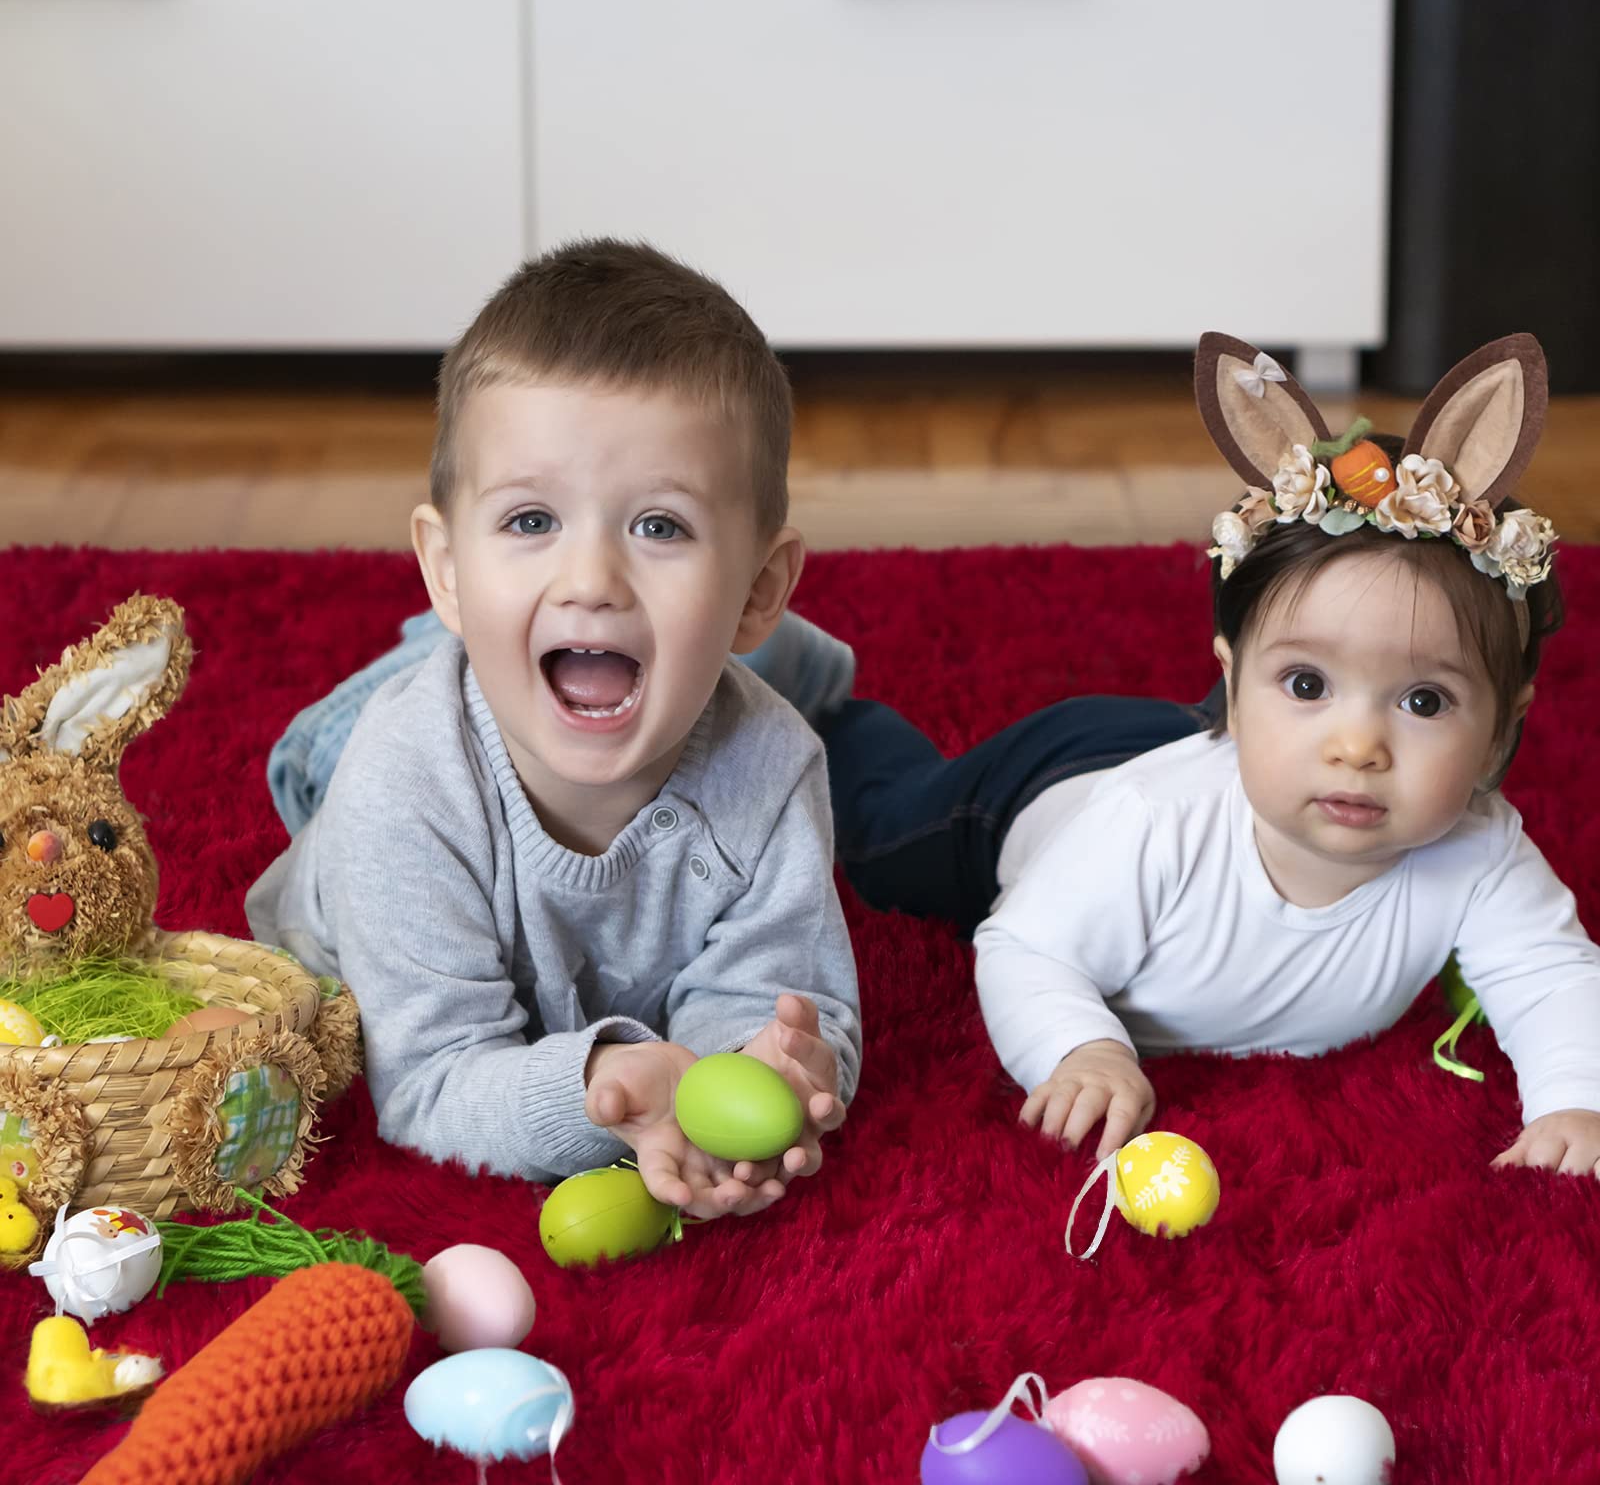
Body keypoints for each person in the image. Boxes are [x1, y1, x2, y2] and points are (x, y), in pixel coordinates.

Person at [751, 332, 1600, 1180]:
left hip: (1213, 753)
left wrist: (1573, 1098)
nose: (1358, 747)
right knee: (880, 834)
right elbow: (1025, 949)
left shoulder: (1481, 850)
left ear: (1500, 730)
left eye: (1423, 702)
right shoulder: (1150, 825)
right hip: (1048, 788)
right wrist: (1081, 1049)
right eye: (1306, 684)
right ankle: (822, 692)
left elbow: (1553, 974)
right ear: (1232, 681)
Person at [246, 239, 861, 1219]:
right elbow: (433, 1082)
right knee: (332, 747)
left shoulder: (774, 767)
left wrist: (765, 1071)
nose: (591, 579)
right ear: (444, 563)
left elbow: (781, 1002)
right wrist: (604, 1091)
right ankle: (418, 648)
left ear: (760, 589)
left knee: (679, 668)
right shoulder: (400, 786)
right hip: (374, 781)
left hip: (598, 663)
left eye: (659, 526)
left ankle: (778, 651)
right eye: (531, 520)